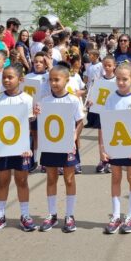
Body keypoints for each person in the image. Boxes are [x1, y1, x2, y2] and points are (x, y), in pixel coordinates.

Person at [0, 64, 37, 234]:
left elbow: (28, 126)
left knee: (22, 180)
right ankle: (0, 215)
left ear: (20, 80)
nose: (6, 80)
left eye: (10, 77)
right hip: (1, 148)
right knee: (3, 180)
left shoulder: (27, 99)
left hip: (21, 148)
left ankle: (25, 215)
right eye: (4, 77)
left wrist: (29, 147)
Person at [100, 61, 131, 234]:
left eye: (125, 79)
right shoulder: (111, 98)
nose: (121, 82)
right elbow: (105, 124)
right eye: (118, 79)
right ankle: (115, 215)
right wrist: (102, 148)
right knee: (115, 178)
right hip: (115, 146)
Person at [36, 65, 85, 233]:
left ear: (67, 80)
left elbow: (80, 122)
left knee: (69, 179)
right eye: (51, 79)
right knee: (51, 178)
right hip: (51, 146)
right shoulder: (44, 100)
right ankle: (52, 214)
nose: (53, 83)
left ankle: (70, 215)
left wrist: (73, 139)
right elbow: (40, 122)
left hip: (67, 146)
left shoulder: (72, 100)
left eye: (57, 79)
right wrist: (36, 113)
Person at [89, 55, 117, 173]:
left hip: (114, 114)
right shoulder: (99, 80)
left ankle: (111, 159)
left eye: (109, 65)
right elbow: (93, 95)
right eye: (105, 65)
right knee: (101, 137)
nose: (107, 67)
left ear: (114, 66)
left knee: (111, 137)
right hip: (101, 113)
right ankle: (102, 159)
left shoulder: (117, 81)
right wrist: (91, 101)